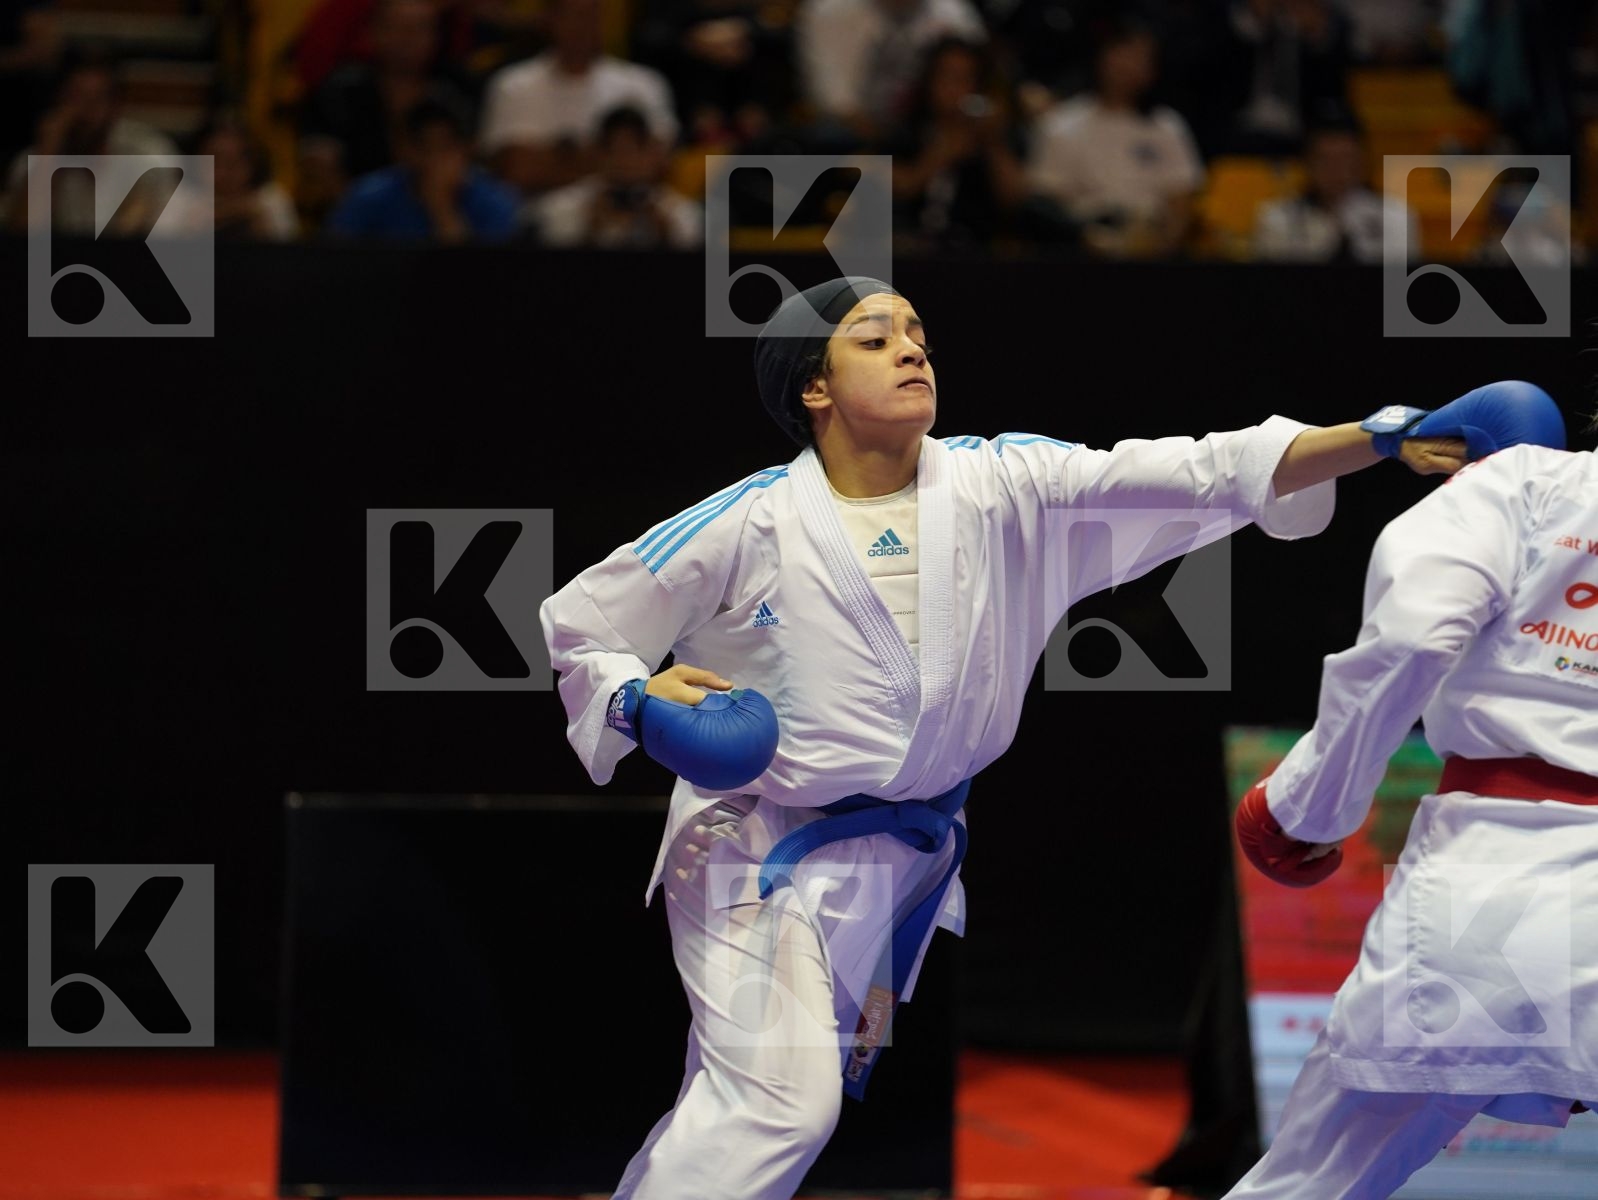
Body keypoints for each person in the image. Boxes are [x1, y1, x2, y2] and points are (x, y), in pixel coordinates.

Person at [539, 276, 1548, 1200]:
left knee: (737, 1107)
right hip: (751, 849)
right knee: (775, 1106)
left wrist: (1374, 437)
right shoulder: (745, 521)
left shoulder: (999, 489)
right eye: (874, 337)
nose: (910, 348)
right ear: (813, 386)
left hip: (898, 860)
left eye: (919, 333)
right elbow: (583, 621)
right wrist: (636, 701)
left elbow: (1198, 472)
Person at [1228, 402, 1594, 1198]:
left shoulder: (1524, 483)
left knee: (1308, 1186)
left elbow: (1411, 642)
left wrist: (1303, 812)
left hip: (1496, 891)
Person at [1026, 19, 1205, 258]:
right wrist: (1085, 236)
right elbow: (1045, 200)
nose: (1129, 65)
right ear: (1102, 56)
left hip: (1150, 246)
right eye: (1123, 52)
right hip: (1081, 248)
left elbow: (1181, 200)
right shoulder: (1062, 124)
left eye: (1140, 57)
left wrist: (1161, 246)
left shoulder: (1167, 127)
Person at [478, 0, 678, 196]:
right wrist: (609, 157)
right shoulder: (512, 85)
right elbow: (517, 170)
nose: (584, 25)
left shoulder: (643, 83)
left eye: (592, 15)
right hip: (538, 217)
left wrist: (559, 156)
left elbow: (656, 163)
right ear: (550, 19)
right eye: (575, 15)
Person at [327, 95, 518, 242]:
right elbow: (337, 263)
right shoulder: (368, 196)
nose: (434, 159)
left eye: (445, 147)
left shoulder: (495, 201)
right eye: (424, 147)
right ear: (404, 150)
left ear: (467, 148)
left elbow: (482, 278)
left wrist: (441, 207)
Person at [532, 104, 702, 249]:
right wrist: (590, 227)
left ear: (652, 153)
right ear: (599, 153)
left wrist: (664, 232)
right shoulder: (562, 206)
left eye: (635, 149)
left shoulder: (679, 211)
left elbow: (696, 264)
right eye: (616, 149)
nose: (626, 160)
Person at [1253, 116, 1417, 264]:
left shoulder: (1395, 217)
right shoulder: (1276, 219)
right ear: (1308, 164)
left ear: (1362, 162)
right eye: (1326, 160)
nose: (1337, 171)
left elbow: (1402, 287)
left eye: (1345, 159)